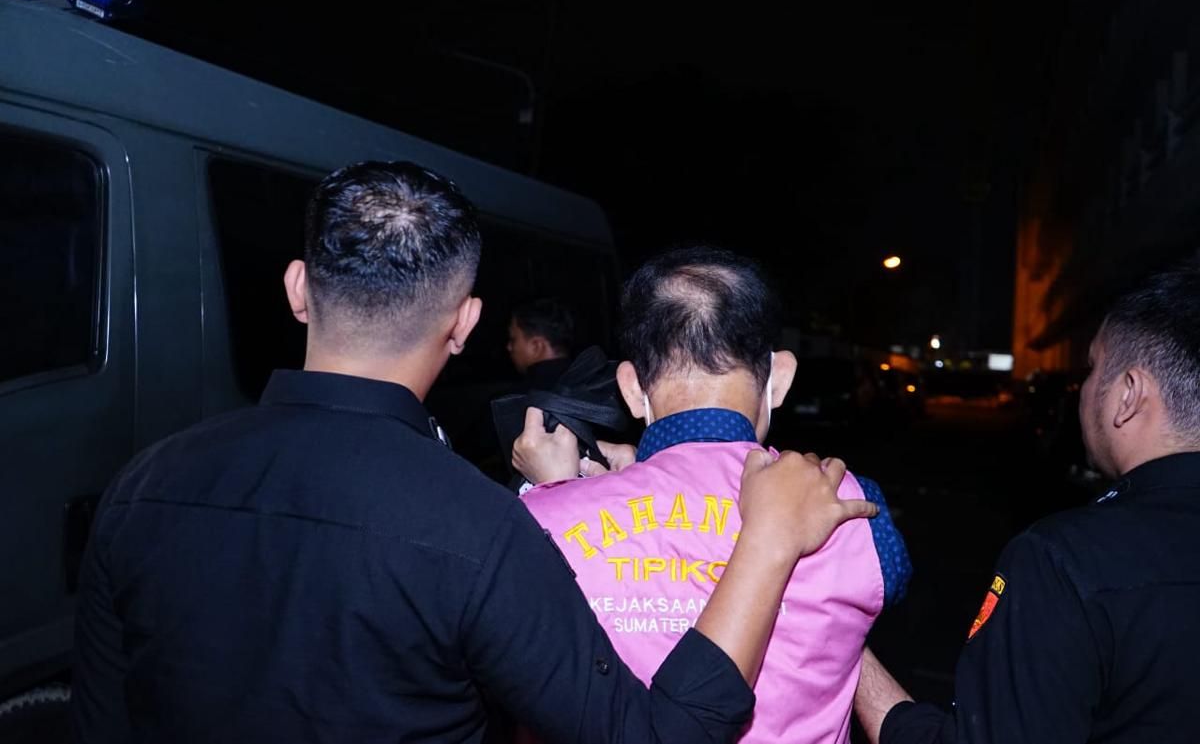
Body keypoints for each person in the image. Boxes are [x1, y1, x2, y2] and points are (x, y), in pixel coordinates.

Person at [70, 160, 878, 744]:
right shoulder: (481, 529)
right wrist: (766, 542)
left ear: (296, 288)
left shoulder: (141, 484)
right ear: (464, 324)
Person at [515, 245, 910, 743]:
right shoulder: (849, 505)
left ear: (632, 388)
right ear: (780, 378)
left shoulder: (538, 520)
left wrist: (557, 494)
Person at [855, 259, 1200, 743]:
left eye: (1092, 368)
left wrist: (847, 650)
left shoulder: (1064, 560)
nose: (1083, 390)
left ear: (1128, 395)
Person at [508, 297, 576, 389]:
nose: (509, 347)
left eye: (513, 340)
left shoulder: (520, 396)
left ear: (536, 346)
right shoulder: (589, 382)